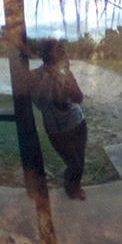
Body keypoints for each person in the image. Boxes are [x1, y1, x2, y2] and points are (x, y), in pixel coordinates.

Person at [27, 40, 87, 199]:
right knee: (73, 163)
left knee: (80, 163)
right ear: (44, 54)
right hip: (57, 129)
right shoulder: (35, 75)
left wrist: (68, 85)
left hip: (78, 122)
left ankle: (73, 186)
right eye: (55, 50)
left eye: (61, 50)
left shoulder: (65, 72)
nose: (60, 53)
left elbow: (79, 98)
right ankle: (70, 186)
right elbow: (40, 104)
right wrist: (51, 80)